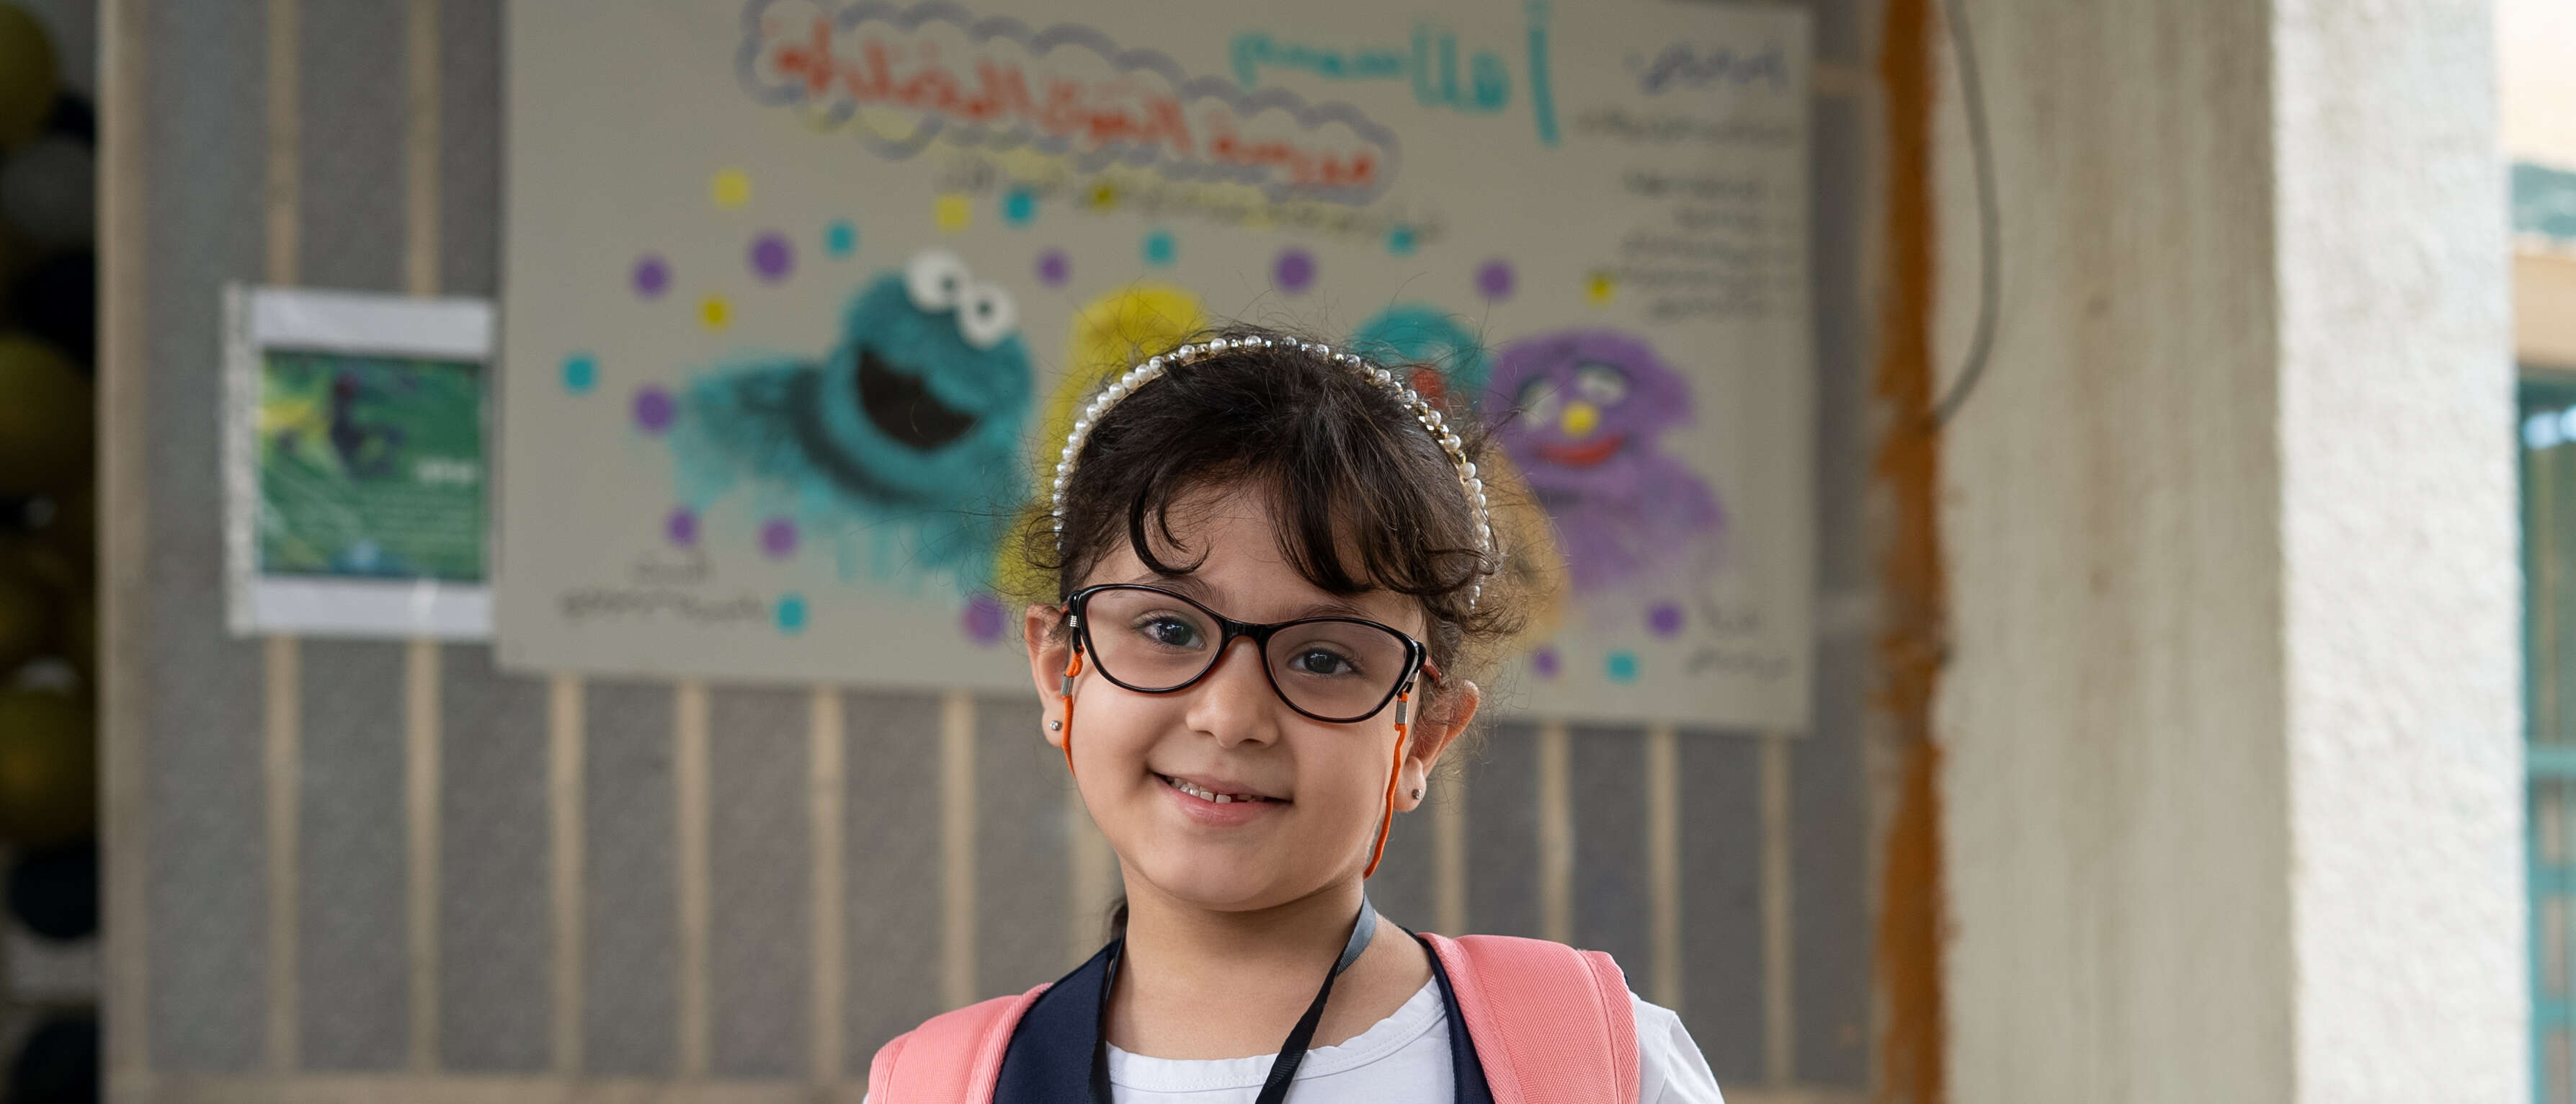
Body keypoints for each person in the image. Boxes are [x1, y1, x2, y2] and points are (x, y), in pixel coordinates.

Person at [867, 329, 1725, 1103]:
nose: (1230, 714)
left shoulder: (1600, 1060)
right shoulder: (937, 1086)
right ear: (1062, 672)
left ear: (1423, 735)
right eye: (1167, 629)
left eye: (1323, 657)